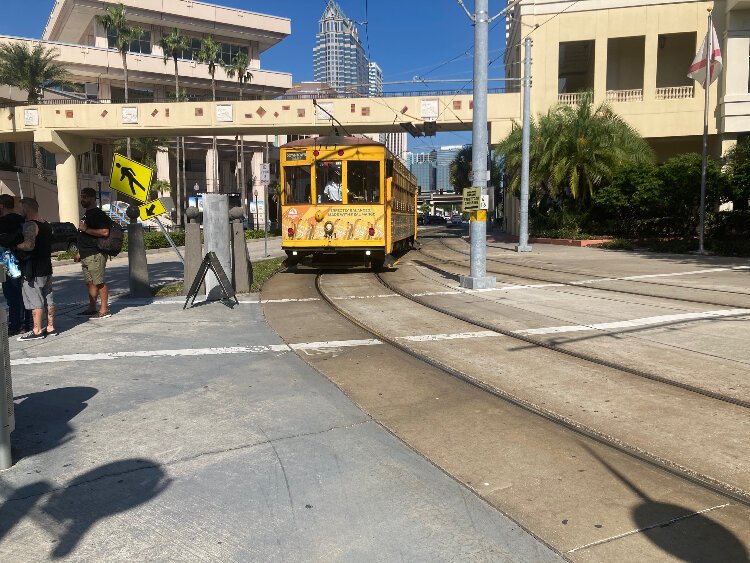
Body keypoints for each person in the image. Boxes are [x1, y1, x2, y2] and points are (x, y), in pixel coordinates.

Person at [14, 198, 55, 341]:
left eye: (21, 208)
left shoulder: (30, 225)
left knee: (34, 300)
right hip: (46, 267)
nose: (19, 211)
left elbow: (29, 245)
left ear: (26, 208)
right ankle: (50, 327)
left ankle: (37, 330)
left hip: (33, 269)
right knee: (47, 298)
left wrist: (15, 246)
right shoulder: (46, 224)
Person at [75, 187, 111, 319]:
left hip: (95, 253)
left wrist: (87, 229)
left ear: (92, 198)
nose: (82, 199)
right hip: (85, 253)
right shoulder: (86, 214)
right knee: (90, 282)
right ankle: (92, 307)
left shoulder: (98, 214)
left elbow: (105, 232)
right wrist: (79, 252)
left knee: (99, 281)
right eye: (81, 196)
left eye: (85, 197)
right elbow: (83, 235)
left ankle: (104, 308)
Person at [0, 194, 31, 336]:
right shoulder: (22, 220)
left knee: (12, 294)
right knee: (21, 293)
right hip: (21, 259)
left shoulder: (3, 222)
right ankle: (25, 323)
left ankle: (16, 324)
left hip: (8, 261)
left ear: (2, 206)